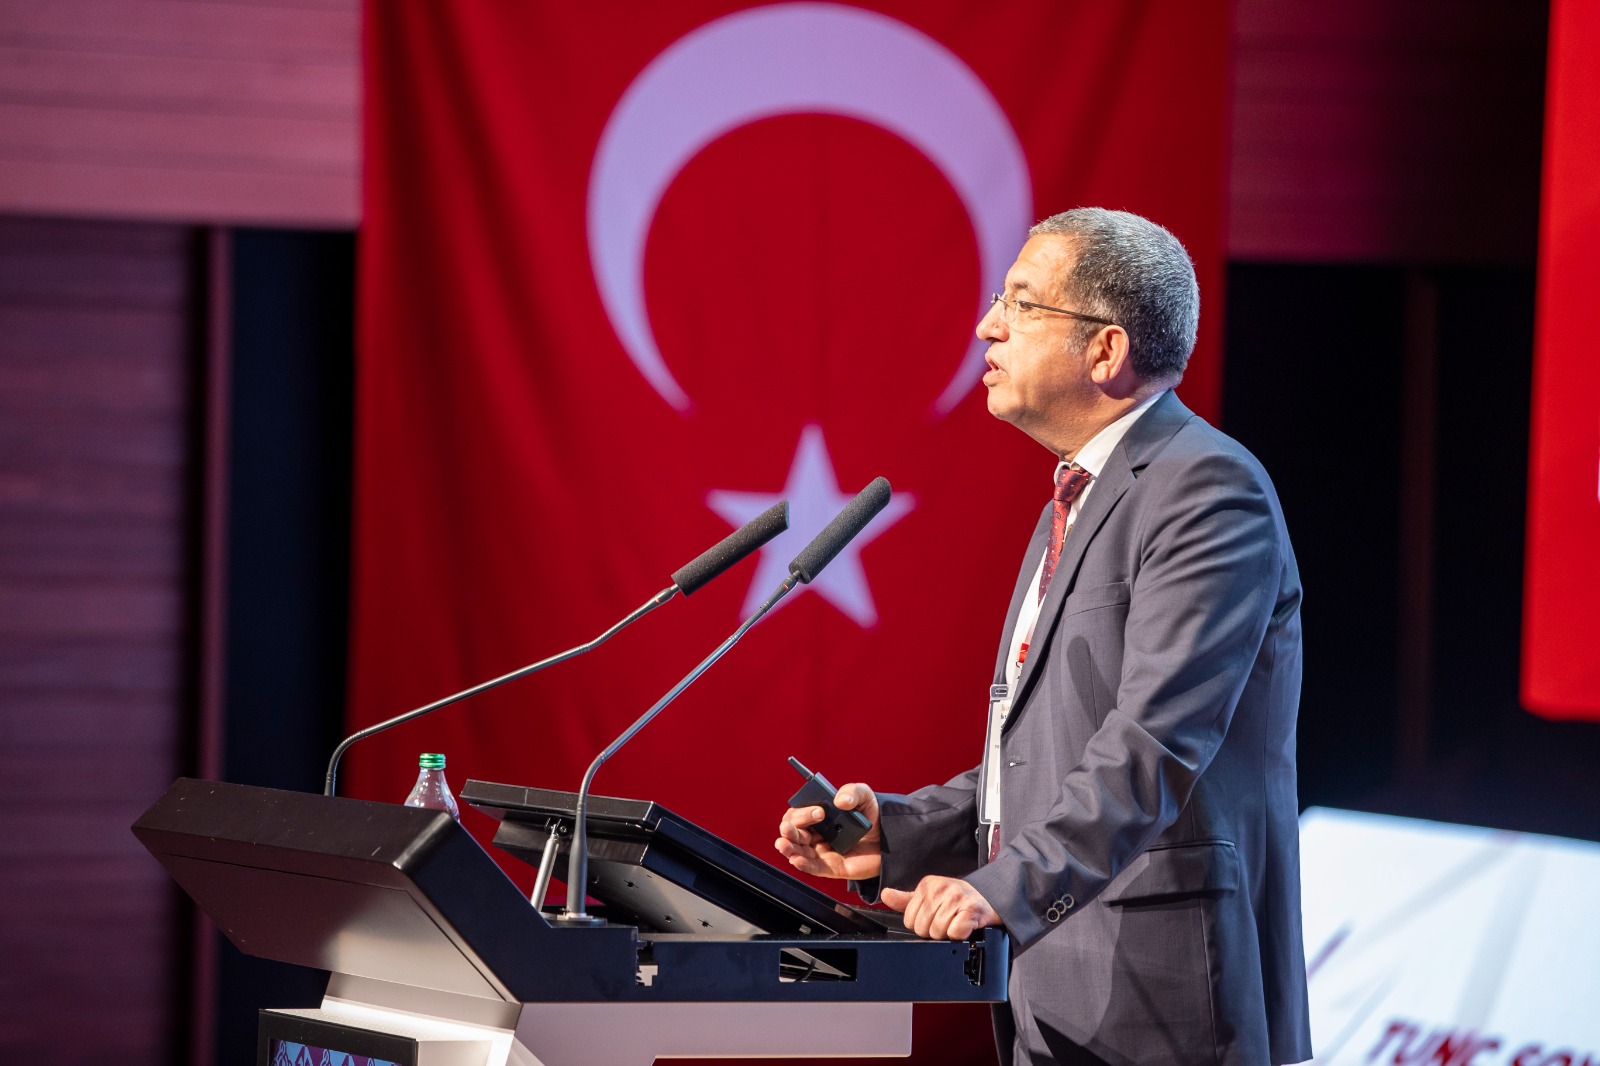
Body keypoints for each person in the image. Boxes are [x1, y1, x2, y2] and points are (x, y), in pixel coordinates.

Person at [776, 208, 1312, 1066]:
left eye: (1021, 303)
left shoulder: (1207, 490)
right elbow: (1043, 754)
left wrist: (1002, 889)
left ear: (1105, 350)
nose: (987, 326)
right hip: (1054, 991)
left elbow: (1153, 747)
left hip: (1163, 998)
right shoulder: (1079, 496)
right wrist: (899, 835)